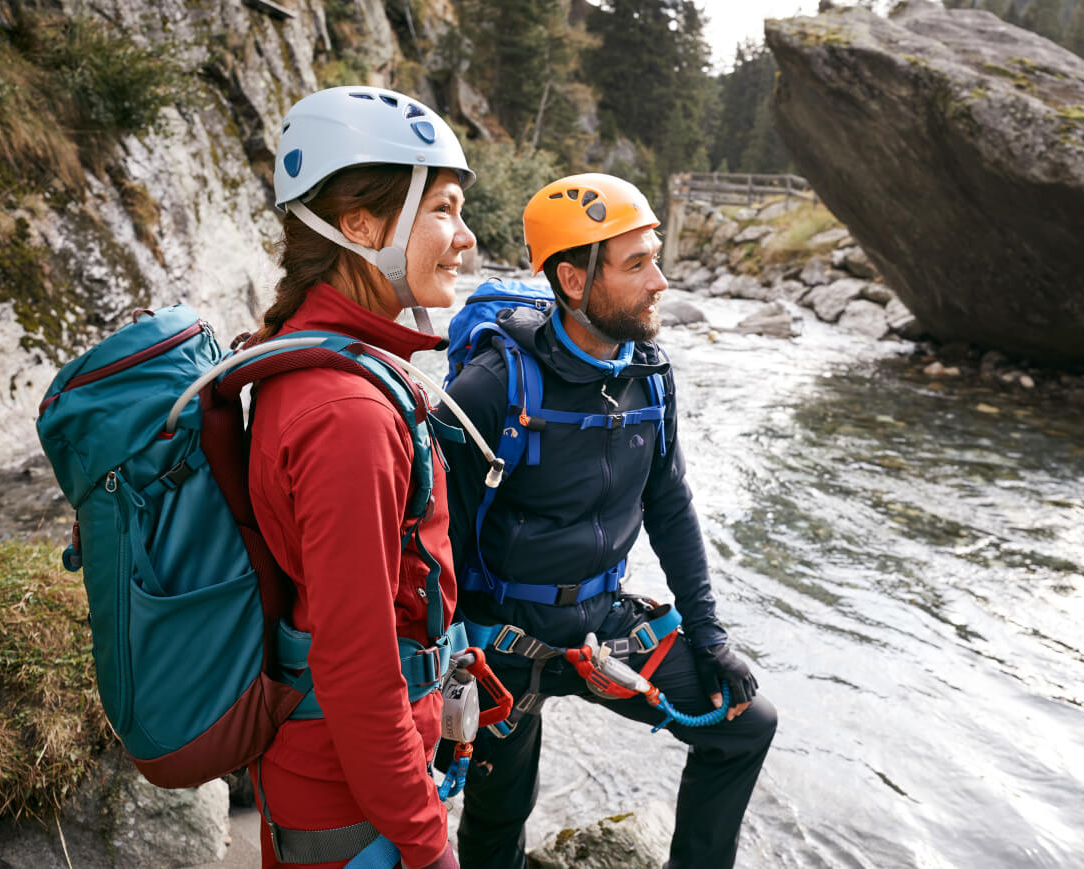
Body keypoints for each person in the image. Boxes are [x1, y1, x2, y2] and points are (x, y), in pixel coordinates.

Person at [436, 173, 777, 869]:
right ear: (571, 277)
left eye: (654, 257)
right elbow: (435, 540)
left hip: (604, 626)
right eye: (636, 264)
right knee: (501, 809)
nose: (659, 281)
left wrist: (708, 637)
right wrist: (455, 663)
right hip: (502, 641)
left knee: (747, 725)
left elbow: (670, 505)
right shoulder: (490, 388)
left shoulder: (650, 376)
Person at [245, 85, 476, 869]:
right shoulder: (347, 411)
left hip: (338, 778)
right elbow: (355, 663)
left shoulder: (315, 361)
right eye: (443, 208)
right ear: (360, 226)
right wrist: (425, 840)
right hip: (350, 803)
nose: (465, 236)